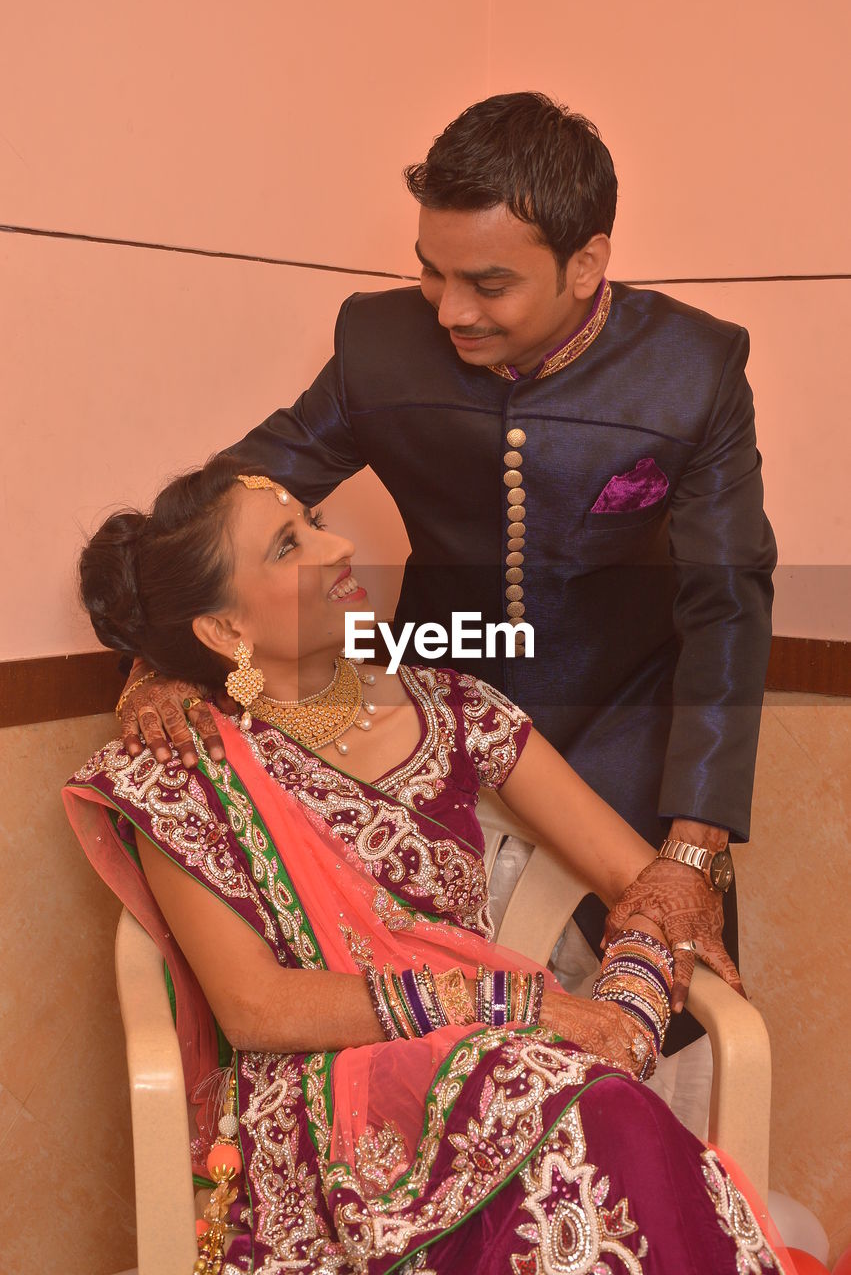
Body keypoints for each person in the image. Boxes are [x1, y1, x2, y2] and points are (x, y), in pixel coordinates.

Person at [115, 93, 776, 1048]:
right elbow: (226, 516)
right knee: (422, 1024)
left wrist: (693, 844)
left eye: (490, 283)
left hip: (624, 728)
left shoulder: (693, 369)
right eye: (432, 272)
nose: (451, 309)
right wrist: (164, 660)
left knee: (664, 1024)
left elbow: (726, 603)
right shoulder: (376, 344)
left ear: (586, 263)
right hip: (421, 726)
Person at [64, 458, 790, 1274]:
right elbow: (256, 1008)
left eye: (315, 522)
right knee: (573, 1108)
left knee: (598, 1110)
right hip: (324, 1102)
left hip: (509, 1066)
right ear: (227, 632)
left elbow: (649, 888)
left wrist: (627, 1010)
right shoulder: (183, 771)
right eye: (287, 547)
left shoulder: (454, 708)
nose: (338, 546)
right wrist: (523, 1010)